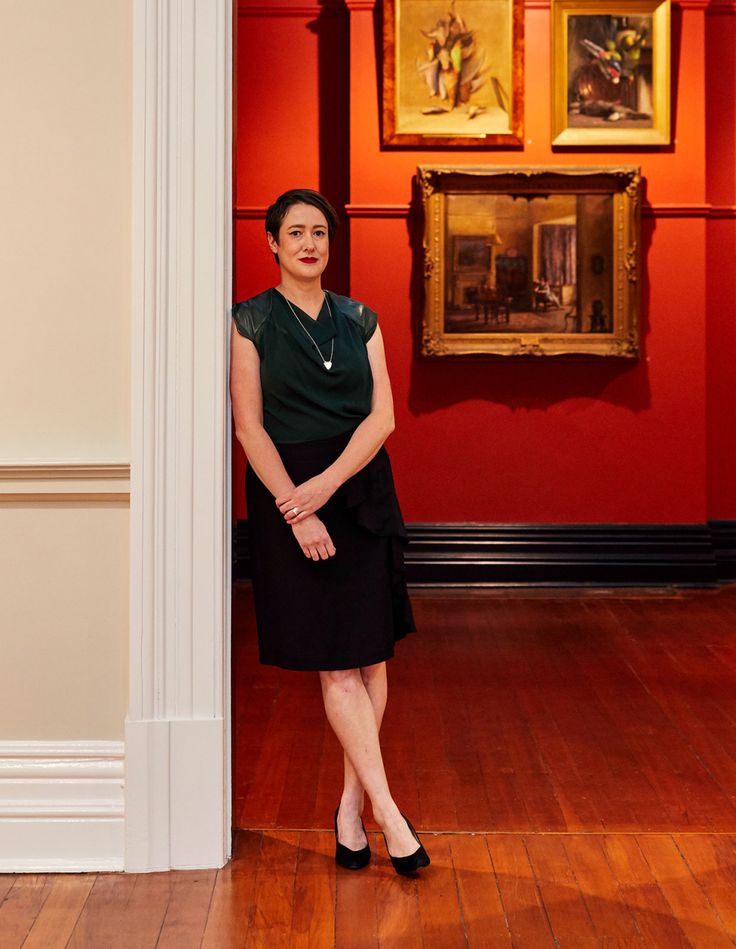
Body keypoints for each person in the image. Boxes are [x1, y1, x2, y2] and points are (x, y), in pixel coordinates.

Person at [229, 188, 430, 875]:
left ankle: (349, 810)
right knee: (337, 662)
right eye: (296, 233)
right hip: (290, 495)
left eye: (320, 232)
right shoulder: (250, 320)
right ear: (272, 242)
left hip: (359, 489)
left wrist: (330, 487)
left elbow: (382, 419)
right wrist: (298, 505)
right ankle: (391, 815)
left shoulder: (361, 319)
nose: (309, 243)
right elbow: (249, 426)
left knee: (370, 655)